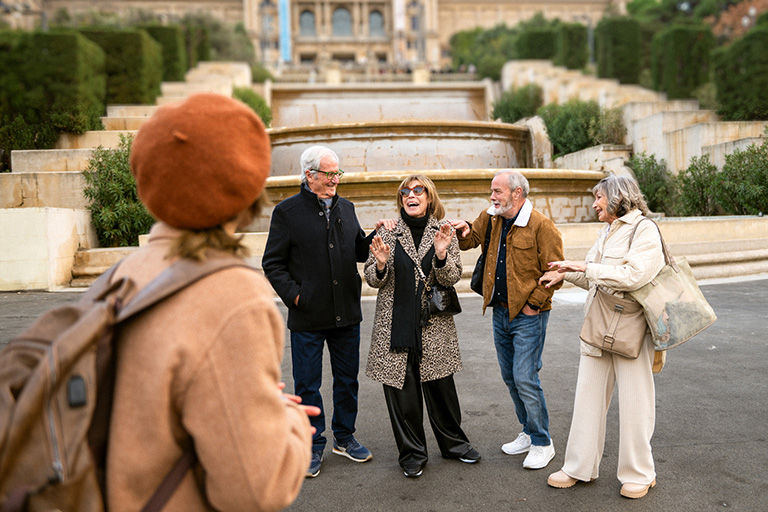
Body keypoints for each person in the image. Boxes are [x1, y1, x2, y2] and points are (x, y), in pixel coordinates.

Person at [107, 93, 317, 511]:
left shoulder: (123, 274)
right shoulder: (236, 296)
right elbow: (258, 489)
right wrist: (288, 422)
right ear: (246, 183)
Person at [539, 175, 664, 499]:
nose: (595, 204)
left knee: (636, 402)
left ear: (618, 197)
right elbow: (595, 277)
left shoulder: (644, 230)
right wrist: (565, 274)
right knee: (587, 398)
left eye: (599, 198)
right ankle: (579, 467)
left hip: (633, 328)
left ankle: (640, 473)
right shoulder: (606, 231)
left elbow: (634, 275)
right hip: (599, 324)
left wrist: (583, 266)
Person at [263, 145, 383, 478]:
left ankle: (345, 438)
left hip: (346, 312)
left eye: (337, 173)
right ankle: (312, 445)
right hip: (308, 317)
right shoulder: (287, 212)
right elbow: (272, 263)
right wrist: (297, 297)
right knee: (307, 385)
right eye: (329, 174)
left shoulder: (347, 207)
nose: (334, 180)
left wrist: (377, 235)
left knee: (347, 381)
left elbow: (359, 250)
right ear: (310, 175)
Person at [365, 175, 481, 478]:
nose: (410, 195)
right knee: (403, 396)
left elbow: (452, 277)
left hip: (434, 325)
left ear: (429, 197)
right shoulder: (386, 232)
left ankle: (454, 444)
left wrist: (441, 254)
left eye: (418, 191)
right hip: (395, 327)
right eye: (406, 191)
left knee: (441, 388)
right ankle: (412, 453)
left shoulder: (444, 231)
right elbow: (373, 279)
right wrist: (379, 264)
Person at [452, 170, 564, 470]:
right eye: (492, 191)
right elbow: (469, 241)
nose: (492, 196)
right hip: (499, 311)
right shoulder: (490, 217)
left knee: (526, 377)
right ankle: (528, 431)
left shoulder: (542, 226)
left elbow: (555, 273)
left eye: (497, 191)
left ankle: (543, 442)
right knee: (510, 377)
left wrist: (533, 305)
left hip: (528, 315)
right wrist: (462, 230)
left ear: (517, 193)